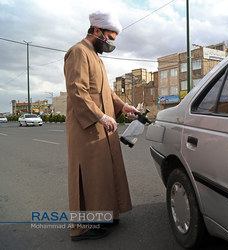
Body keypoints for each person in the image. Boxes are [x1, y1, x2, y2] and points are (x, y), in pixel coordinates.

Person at [64, 11, 139, 241]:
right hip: (87, 128)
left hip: (102, 126)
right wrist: (100, 116)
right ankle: (82, 228)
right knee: (87, 177)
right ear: (96, 31)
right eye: (109, 38)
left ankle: (106, 214)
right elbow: (77, 90)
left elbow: (105, 91)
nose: (110, 44)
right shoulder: (78, 52)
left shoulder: (95, 57)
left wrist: (122, 106)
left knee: (103, 175)